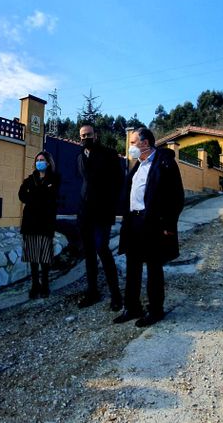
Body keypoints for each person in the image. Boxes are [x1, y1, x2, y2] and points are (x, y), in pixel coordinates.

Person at [114, 127, 184, 327]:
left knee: (153, 266)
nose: (130, 147)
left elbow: (177, 197)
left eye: (133, 142)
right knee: (133, 265)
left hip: (152, 222)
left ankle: (155, 310)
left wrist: (169, 225)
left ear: (145, 143)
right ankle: (132, 307)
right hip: (133, 222)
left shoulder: (165, 163)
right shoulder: (138, 165)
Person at [76, 124, 124, 310]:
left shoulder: (109, 154)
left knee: (102, 250)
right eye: (82, 135)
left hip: (102, 213)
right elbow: (84, 183)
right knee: (88, 254)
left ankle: (116, 295)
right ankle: (93, 292)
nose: (85, 138)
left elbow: (118, 182)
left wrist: (110, 206)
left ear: (96, 135)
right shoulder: (80, 157)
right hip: (84, 213)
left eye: (88, 134)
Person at [18, 151, 61, 299]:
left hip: (46, 222)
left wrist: (34, 195)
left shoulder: (55, 179)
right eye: (37, 160)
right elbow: (22, 195)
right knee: (33, 256)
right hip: (30, 222)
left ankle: (45, 285)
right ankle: (35, 284)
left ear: (48, 162)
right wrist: (39, 194)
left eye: (42, 160)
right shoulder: (30, 179)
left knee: (44, 256)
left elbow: (51, 197)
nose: (39, 162)